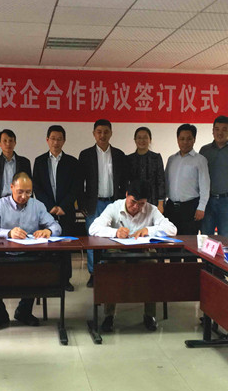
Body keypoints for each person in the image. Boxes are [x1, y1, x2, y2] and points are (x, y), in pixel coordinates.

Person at [89, 179, 177, 332]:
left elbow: (172, 229)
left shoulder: (151, 209)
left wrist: (149, 230)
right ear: (126, 195)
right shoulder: (114, 207)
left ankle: (149, 315)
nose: (136, 207)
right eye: (133, 202)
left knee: (152, 267)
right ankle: (109, 315)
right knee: (111, 268)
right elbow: (93, 228)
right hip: (117, 251)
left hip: (143, 251)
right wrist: (115, 232)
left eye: (141, 204)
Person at [0, 172, 61, 331]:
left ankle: (24, 311)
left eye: (28, 192)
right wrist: (7, 233)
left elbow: (56, 226)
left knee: (39, 267)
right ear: (11, 187)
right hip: (2, 253)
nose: (24, 196)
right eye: (20, 192)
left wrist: (48, 231)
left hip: (28, 253)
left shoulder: (37, 206)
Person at [78, 119, 127, 288]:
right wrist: (82, 205)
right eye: (99, 132)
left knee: (113, 239)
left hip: (114, 203)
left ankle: (109, 271)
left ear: (111, 133)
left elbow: (124, 181)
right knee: (93, 241)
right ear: (94, 134)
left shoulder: (119, 155)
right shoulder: (86, 155)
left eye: (106, 132)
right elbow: (80, 183)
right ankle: (94, 273)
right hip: (94, 204)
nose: (102, 135)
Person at [33, 125, 81, 291]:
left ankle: (65, 280)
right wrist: (50, 207)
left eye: (59, 139)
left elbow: (76, 187)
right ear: (47, 140)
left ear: (64, 141)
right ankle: (49, 278)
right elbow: (37, 187)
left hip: (66, 211)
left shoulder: (72, 162)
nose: (56, 142)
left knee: (65, 246)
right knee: (47, 246)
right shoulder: (39, 161)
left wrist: (63, 206)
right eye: (53, 138)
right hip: (46, 212)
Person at [164, 123, 210, 235]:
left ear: (194, 140)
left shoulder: (200, 160)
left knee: (188, 240)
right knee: (170, 239)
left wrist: (201, 208)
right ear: (177, 140)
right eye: (182, 139)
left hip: (190, 208)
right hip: (171, 207)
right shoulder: (171, 159)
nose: (185, 142)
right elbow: (166, 182)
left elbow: (205, 186)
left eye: (189, 139)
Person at [0, 129, 32, 212]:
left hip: (19, 204)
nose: (8, 144)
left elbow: (29, 186)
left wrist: (28, 208)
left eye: (11, 141)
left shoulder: (24, 162)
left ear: (15, 143)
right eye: (5, 141)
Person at [126, 127, 165, 213]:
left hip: (153, 200)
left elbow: (161, 181)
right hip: (135, 201)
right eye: (139, 137)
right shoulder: (129, 159)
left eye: (145, 137)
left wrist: (161, 204)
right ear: (135, 140)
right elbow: (126, 183)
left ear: (150, 140)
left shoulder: (156, 158)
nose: (142, 140)